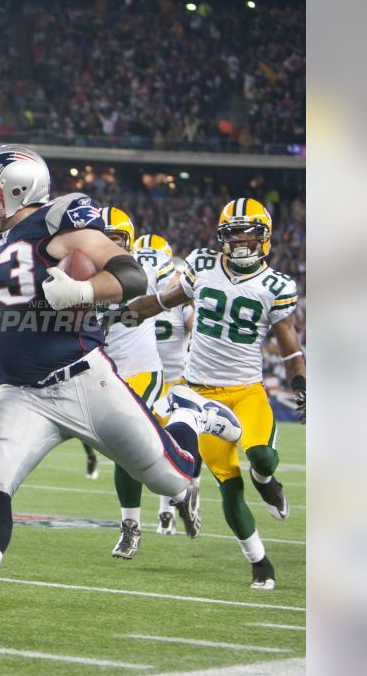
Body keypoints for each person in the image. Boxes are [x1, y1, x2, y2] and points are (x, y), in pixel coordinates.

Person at [0, 144, 244, 637]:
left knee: (172, 478)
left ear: (18, 188)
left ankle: (190, 416)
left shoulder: (57, 219)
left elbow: (129, 273)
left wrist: (86, 292)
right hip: (22, 393)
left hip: (86, 380)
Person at [128, 197, 307, 590]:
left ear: (265, 237)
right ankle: (259, 561)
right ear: (222, 237)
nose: (242, 240)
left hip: (245, 391)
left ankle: (269, 483)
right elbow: (162, 301)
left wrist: (300, 383)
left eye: (249, 232)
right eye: (234, 233)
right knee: (228, 484)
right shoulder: (203, 266)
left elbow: (290, 346)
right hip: (197, 394)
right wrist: (123, 312)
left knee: (260, 456)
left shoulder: (275, 285)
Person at [96, 209, 181, 559]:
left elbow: (180, 290)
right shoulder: (75, 270)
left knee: (125, 446)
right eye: (104, 236)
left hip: (142, 369)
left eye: (117, 238)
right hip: (102, 371)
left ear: (128, 241)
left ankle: (131, 525)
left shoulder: (147, 266)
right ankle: (178, 487)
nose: (110, 243)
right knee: (124, 449)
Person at [133, 233, 196, 536]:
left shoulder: (177, 296)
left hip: (177, 382)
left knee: (176, 449)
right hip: (150, 379)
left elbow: (193, 324)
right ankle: (166, 511)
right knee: (157, 450)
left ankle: (167, 511)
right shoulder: (134, 292)